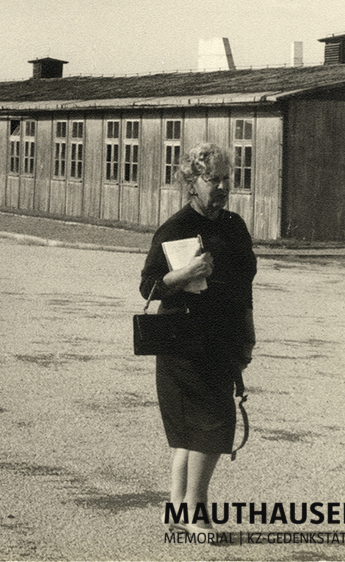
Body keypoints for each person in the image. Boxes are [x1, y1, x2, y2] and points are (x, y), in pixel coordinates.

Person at [139, 142, 256, 534]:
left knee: (195, 430)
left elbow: (245, 285)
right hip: (183, 339)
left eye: (227, 178)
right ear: (192, 182)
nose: (221, 186)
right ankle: (195, 512)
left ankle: (177, 514)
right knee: (209, 425)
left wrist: (248, 332)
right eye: (212, 179)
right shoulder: (176, 228)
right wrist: (183, 274)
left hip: (222, 337)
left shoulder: (235, 227)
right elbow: (148, 288)